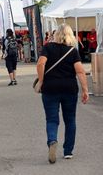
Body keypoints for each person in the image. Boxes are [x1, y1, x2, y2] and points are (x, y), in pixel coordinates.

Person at [36, 24, 89, 164]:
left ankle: (52, 140)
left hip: (50, 88)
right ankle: (68, 151)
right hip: (69, 89)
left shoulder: (47, 47)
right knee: (70, 119)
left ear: (56, 34)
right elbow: (80, 71)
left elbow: (41, 64)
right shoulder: (72, 51)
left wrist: (41, 80)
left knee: (52, 119)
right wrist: (85, 90)